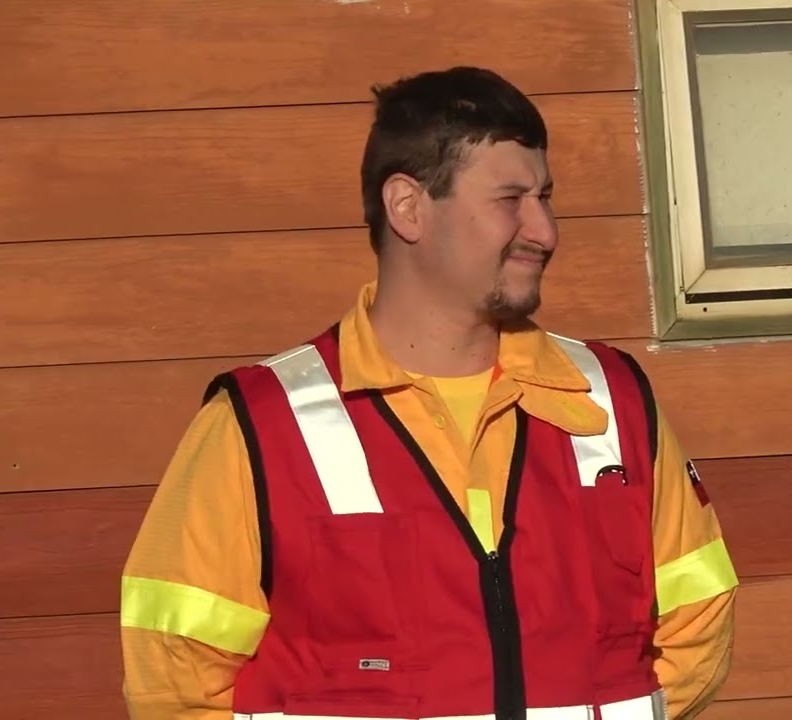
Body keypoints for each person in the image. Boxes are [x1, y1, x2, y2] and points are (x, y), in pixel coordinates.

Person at [119, 66, 739, 720]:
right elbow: (174, 683)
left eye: (545, 197)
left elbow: (698, 629)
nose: (545, 230)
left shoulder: (613, 400)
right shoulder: (259, 428)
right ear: (408, 208)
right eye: (510, 200)